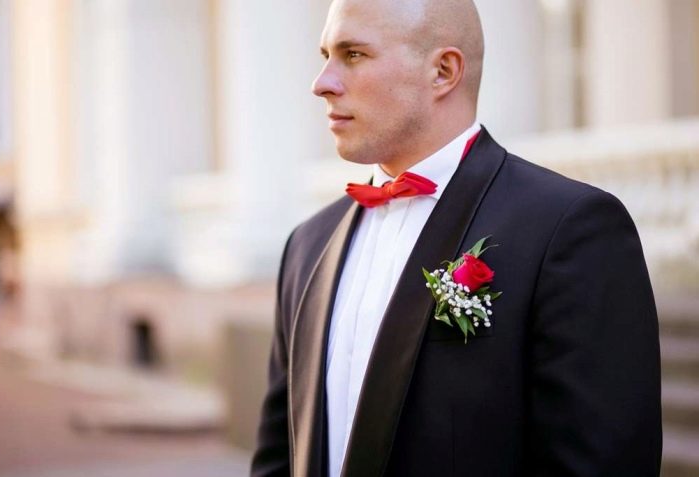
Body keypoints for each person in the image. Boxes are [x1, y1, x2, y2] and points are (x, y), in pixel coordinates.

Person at [251, 0, 662, 475]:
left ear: (443, 71)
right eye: (326, 55)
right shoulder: (308, 245)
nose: (322, 83)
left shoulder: (568, 229)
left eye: (353, 54)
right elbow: (279, 455)